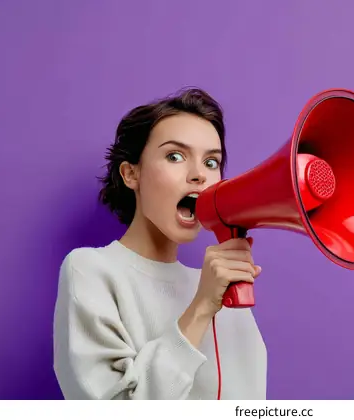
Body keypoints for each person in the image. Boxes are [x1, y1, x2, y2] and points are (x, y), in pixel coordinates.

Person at [52, 87, 267, 400]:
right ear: (131, 174)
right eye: (175, 156)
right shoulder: (90, 270)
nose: (199, 175)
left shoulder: (220, 286)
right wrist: (201, 308)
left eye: (211, 162)